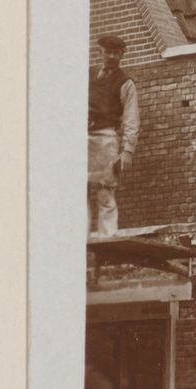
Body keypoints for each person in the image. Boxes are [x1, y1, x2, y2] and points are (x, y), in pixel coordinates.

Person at [87, 32, 140, 238]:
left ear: (122, 55)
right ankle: (77, 237)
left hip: (105, 138)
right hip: (81, 137)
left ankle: (107, 238)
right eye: (108, 52)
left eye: (116, 54)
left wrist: (127, 150)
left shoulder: (125, 83)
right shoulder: (87, 75)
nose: (111, 57)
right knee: (78, 190)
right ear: (100, 52)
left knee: (104, 190)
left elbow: (131, 119)